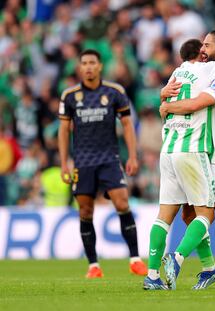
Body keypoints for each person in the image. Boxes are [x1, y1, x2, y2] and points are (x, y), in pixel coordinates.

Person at [143, 39, 215, 290]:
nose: (205, 50)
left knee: (184, 215)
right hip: (193, 151)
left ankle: (157, 273)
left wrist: (165, 103)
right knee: (199, 213)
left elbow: (175, 103)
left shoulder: (179, 75)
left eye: (209, 44)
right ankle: (193, 264)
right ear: (200, 56)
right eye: (202, 47)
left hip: (185, 152)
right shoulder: (206, 69)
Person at [58, 49, 148, 278]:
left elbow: (127, 125)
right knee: (86, 211)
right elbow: (63, 131)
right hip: (83, 161)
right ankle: (93, 266)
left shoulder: (115, 92)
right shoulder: (69, 96)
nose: (88, 67)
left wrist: (133, 156)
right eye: (84, 63)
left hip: (109, 158)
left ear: (99, 66)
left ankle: (135, 260)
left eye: (92, 63)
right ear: (80, 67)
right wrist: (63, 163)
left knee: (122, 202)